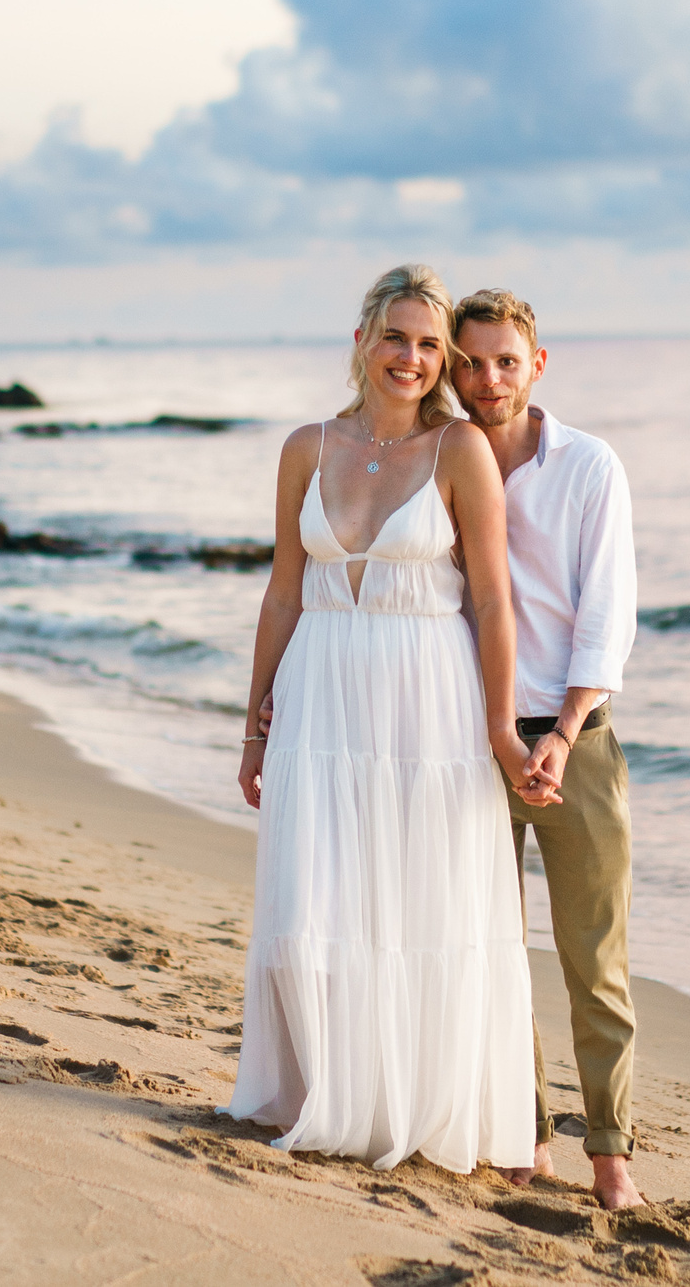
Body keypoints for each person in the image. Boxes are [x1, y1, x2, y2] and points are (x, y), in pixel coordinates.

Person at [224, 264, 542, 1174]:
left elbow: (492, 599)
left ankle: (418, 1105)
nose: (411, 357)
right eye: (397, 336)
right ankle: (327, 1090)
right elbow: (284, 591)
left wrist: (499, 729)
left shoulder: (460, 452)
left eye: (430, 344)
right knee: (318, 887)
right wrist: (254, 725)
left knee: (417, 898)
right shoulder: (305, 447)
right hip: (320, 694)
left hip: (426, 704)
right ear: (361, 340)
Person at [452, 287, 644, 1210]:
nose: (488, 379)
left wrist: (563, 735)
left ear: (537, 361)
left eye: (504, 359)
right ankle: (526, 1134)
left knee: (592, 955)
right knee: (493, 945)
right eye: (471, 362)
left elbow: (605, 618)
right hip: (470, 736)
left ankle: (611, 1154)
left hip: (579, 741)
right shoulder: (440, 462)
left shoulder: (589, 466)